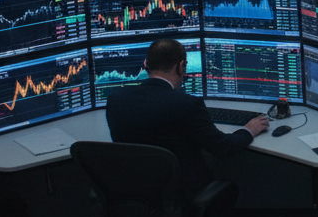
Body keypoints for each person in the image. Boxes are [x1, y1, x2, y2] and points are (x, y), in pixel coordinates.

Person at [105, 39, 269, 205]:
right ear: (181, 66)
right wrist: (249, 129)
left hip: (131, 197)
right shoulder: (187, 104)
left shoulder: (115, 100)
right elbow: (223, 148)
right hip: (180, 198)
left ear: (146, 64)